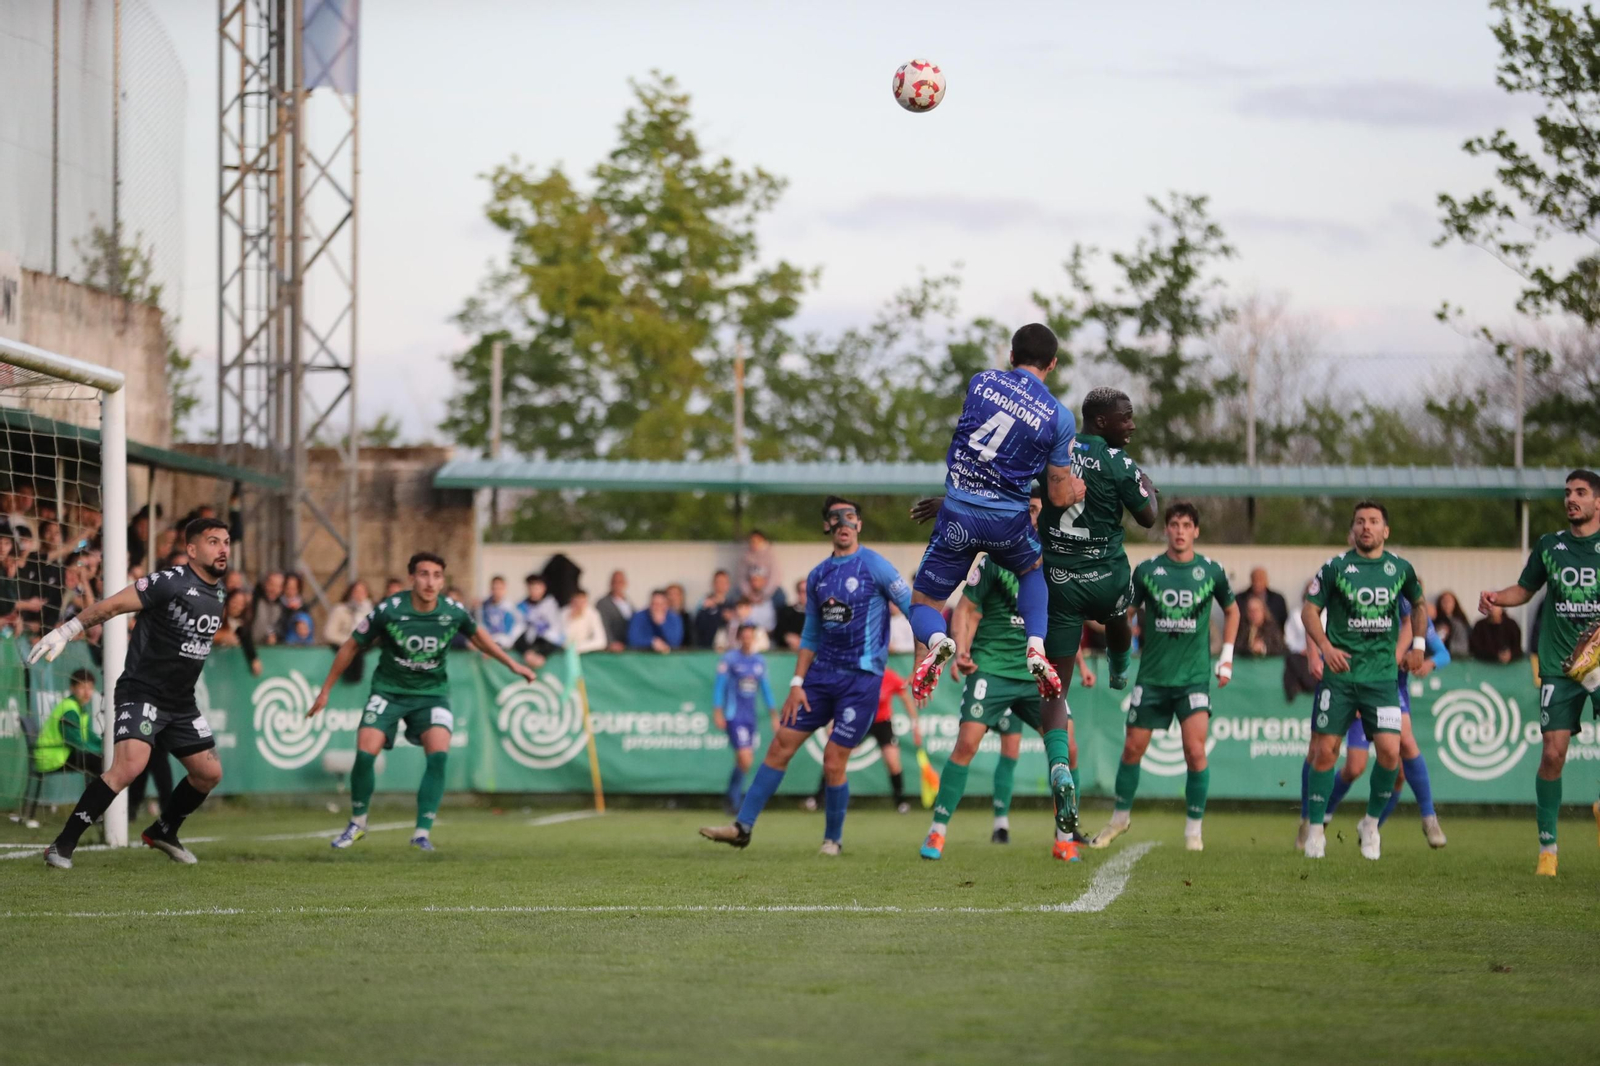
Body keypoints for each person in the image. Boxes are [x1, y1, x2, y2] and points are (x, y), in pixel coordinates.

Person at [700, 496, 912, 855]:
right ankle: (742, 827)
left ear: (858, 524)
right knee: (780, 743)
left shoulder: (876, 566)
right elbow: (811, 635)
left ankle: (833, 839)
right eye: (835, 517)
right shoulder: (818, 575)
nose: (843, 522)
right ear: (827, 526)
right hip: (819, 677)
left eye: (850, 516)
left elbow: (911, 608)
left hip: (860, 681)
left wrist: (927, 649)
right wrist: (796, 683)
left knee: (833, 760)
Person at [30, 518, 235, 870]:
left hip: (181, 702)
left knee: (209, 773)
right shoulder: (168, 582)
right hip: (142, 692)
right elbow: (112, 605)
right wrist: (67, 630)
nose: (223, 549)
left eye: (227, 542)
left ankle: (163, 831)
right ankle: (61, 846)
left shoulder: (218, 592)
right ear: (191, 549)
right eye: (214, 541)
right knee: (129, 766)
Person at [312, 552, 536, 852]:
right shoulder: (389, 610)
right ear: (412, 578)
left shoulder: (453, 611)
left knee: (439, 754)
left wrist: (513, 665)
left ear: (442, 580)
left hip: (432, 694)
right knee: (365, 752)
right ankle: (358, 822)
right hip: (388, 691)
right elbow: (351, 645)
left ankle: (421, 832)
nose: (430, 582)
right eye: (424, 574)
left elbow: (480, 636)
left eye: (437, 575)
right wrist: (325, 690)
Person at [906, 323, 1079, 710]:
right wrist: (1074, 489)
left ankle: (937, 642)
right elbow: (1056, 494)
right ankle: (1035, 646)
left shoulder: (981, 382)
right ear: (1052, 363)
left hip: (958, 515)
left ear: (1012, 356)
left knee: (922, 605)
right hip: (1008, 523)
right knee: (1032, 570)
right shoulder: (1059, 416)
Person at [919, 528, 1095, 863]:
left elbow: (1061, 622)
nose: (1030, 515)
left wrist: (1082, 663)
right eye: (1026, 508)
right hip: (992, 667)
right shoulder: (993, 562)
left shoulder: (1054, 563)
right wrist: (963, 651)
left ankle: (1064, 838)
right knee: (967, 743)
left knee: (1068, 746)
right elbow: (966, 609)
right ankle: (938, 830)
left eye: (1036, 509)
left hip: (1036, 671)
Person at [1033, 388, 1156, 840]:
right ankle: (1121, 666)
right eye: (1126, 418)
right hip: (1105, 577)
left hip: (1060, 584)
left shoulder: (1050, 454)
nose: (1132, 425)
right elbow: (1147, 517)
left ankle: (1059, 764)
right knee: (1120, 612)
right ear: (1101, 422)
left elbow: (1015, 493)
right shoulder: (1120, 462)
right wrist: (1144, 485)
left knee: (1054, 689)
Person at [1090, 501, 1238, 853]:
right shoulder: (1147, 571)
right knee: (1132, 749)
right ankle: (1120, 818)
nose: (1180, 531)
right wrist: (1084, 612)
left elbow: (1232, 612)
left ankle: (1193, 832)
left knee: (1194, 750)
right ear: (1166, 530)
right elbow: (1122, 615)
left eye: (1187, 525)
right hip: (1153, 678)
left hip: (1193, 679)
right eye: (1174, 524)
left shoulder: (1211, 571)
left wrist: (1227, 658)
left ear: (1196, 531)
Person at [1479, 469, 1600, 877]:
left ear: (1598, 502)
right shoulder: (1551, 545)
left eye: (1580, 493)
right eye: (1568, 493)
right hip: (1559, 666)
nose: (1572, 499)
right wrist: (1499, 596)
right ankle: (1548, 849)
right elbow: (1525, 589)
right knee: (1552, 753)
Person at [1299, 501, 1427, 861]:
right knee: (1325, 752)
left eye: (1373, 521)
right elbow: (1309, 609)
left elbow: (1418, 605)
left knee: (1390, 752)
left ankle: (1370, 824)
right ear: (1353, 529)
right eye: (1360, 522)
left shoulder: (1399, 568)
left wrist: (1418, 645)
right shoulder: (1336, 567)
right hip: (1340, 678)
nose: (1366, 527)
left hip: (1382, 680)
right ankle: (1315, 831)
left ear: (1386, 530)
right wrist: (1324, 646)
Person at [1306, 594, 1451, 848]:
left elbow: (1442, 653)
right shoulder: (1367, 610)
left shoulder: (1415, 618)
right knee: (1353, 767)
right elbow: (1314, 615)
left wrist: (1428, 663)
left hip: (1392, 689)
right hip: (1357, 686)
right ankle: (1320, 818)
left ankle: (1390, 823)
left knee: (1402, 757)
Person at [22, 668, 102, 826]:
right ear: (72, 688)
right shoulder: (70, 709)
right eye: (82, 687)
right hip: (52, 757)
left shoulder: (78, 708)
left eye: (90, 688)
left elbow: (87, 737)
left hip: (58, 754)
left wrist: (104, 747)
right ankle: (93, 812)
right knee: (98, 763)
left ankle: (95, 811)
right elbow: (75, 741)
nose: (87, 692)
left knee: (100, 760)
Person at [713, 623, 778, 814]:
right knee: (745, 758)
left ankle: (730, 798)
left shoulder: (759, 661)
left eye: (751, 636)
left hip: (750, 717)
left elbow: (765, 688)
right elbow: (720, 686)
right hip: (734, 715)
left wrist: (774, 714)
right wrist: (718, 710)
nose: (747, 640)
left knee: (743, 761)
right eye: (744, 636)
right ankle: (736, 800)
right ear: (739, 638)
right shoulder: (730, 659)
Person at [516, 573, 566, 666]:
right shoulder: (521, 607)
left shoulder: (551, 606)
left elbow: (557, 634)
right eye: (531, 588)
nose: (533, 591)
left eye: (536, 588)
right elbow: (517, 631)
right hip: (528, 649)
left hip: (546, 649)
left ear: (543, 588)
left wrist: (542, 654)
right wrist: (527, 652)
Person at [212, 587, 263, 676]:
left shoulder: (240, 625)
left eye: (241, 604)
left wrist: (254, 659)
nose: (236, 606)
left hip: (223, 667)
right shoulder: (216, 616)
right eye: (234, 602)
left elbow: (247, 641)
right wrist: (222, 637)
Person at [479, 575, 524, 651]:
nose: (497, 591)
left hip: (505, 642)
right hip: (490, 641)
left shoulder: (510, 606)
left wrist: (510, 639)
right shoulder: (484, 606)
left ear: (504, 589)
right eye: (494, 588)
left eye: (500, 588)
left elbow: (520, 624)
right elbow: (480, 623)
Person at [1239, 568, 1290, 632]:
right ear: (1251, 580)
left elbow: (1284, 623)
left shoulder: (1278, 600)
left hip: (1272, 637)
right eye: (1255, 579)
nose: (1258, 583)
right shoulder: (1240, 599)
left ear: (1267, 581)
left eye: (1261, 579)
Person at [738, 529, 782, 604]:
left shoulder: (771, 555)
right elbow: (741, 577)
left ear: (763, 541)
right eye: (752, 541)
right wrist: (748, 593)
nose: (754, 544)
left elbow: (775, 577)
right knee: (736, 594)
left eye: (757, 541)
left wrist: (764, 593)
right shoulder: (745, 557)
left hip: (767, 589)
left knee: (780, 596)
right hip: (750, 589)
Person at [693, 570, 734, 648]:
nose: (720, 585)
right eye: (718, 582)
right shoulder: (704, 602)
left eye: (724, 582)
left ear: (728, 585)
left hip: (727, 648)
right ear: (713, 584)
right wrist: (704, 609)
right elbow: (697, 625)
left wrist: (732, 618)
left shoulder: (732, 605)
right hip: (707, 648)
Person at [596, 570, 633, 652]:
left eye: (620, 582)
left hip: (627, 647)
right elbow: (602, 625)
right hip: (612, 648)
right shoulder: (603, 603)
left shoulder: (629, 604)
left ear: (625, 583)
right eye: (615, 582)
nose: (617, 585)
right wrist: (610, 643)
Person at [562, 588, 607, 654]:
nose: (579, 605)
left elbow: (601, 641)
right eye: (576, 602)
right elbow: (561, 641)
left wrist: (579, 648)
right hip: (566, 653)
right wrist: (571, 620)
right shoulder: (563, 613)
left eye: (582, 602)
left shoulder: (593, 614)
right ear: (571, 601)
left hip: (586, 653)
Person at [1433, 590, 1471, 659]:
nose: (1447, 604)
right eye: (1444, 601)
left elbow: (1464, 647)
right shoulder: (1434, 622)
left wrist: (1448, 645)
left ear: (1455, 604)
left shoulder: (1460, 624)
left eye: (1449, 602)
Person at [251, 571, 285, 647]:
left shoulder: (281, 607)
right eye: (271, 584)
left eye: (278, 586)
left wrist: (275, 637)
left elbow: (280, 629)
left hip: (266, 649)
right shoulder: (254, 601)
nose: (274, 589)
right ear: (265, 584)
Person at [772, 578, 807, 651]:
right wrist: (787, 637)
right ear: (798, 593)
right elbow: (777, 634)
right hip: (788, 653)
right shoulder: (787, 612)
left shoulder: (820, 614)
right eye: (803, 592)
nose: (807, 595)